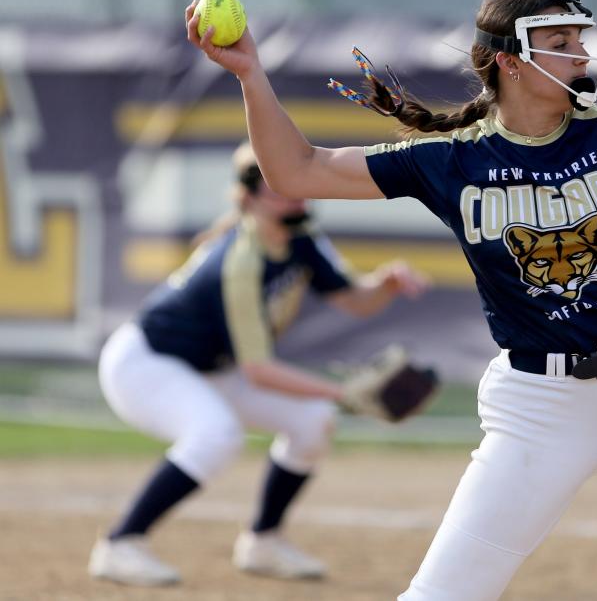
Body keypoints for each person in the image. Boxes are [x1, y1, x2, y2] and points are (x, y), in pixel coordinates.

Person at [186, 0, 597, 601]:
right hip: (540, 409)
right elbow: (296, 171)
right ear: (512, 62)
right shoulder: (453, 157)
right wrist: (249, 73)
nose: (583, 53)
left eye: (581, 39)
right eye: (562, 41)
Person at [88, 142, 428, 587]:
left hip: (211, 366)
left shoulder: (301, 236)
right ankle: (120, 544)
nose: (293, 193)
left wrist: (384, 284)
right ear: (249, 197)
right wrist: (343, 392)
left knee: (313, 420)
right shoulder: (240, 260)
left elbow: (353, 300)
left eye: (293, 181)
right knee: (217, 434)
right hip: (145, 363)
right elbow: (259, 372)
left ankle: (263, 542)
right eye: (278, 185)